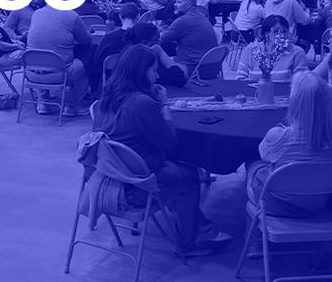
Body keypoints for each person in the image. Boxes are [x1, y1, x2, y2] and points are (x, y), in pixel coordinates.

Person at [92, 45, 233, 256]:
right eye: (154, 70)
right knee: (189, 176)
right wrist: (164, 104)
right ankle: (188, 241)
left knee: (176, 174)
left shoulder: (107, 96)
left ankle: (200, 228)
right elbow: (169, 142)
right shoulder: (141, 102)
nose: (157, 76)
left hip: (108, 176)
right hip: (136, 182)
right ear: (141, 72)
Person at [247, 72, 332, 217]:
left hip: (274, 204)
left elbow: (264, 155)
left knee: (252, 162)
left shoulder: (280, 136)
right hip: (316, 205)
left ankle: (252, 228)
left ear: (295, 101)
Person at [27, 0, 92, 115]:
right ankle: (72, 105)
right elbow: (86, 40)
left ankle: (43, 103)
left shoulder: (36, 14)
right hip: (59, 74)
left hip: (30, 74)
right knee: (88, 67)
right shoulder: (71, 16)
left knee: (41, 59)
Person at [236, 16, 308, 82]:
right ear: (266, 34)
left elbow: (302, 82)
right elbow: (240, 80)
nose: (282, 35)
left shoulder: (296, 52)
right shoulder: (251, 50)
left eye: (285, 31)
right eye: (276, 31)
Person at [160, 0, 218, 76]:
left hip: (192, 68)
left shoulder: (183, 21)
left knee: (156, 64)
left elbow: (160, 39)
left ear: (188, 6)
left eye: (179, 2)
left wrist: (156, 32)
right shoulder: (201, 16)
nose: (174, 5)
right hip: (211, 67)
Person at [90, 3, 139, 91]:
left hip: (111, 79)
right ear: (138, 16)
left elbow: (97, 62)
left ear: (120, 16)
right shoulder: (141, 37)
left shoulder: (108, 38)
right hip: (136, 79)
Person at [129, 23, 188, 87]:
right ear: (144, 43)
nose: (161, 42)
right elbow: (180, 79)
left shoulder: (128, 54)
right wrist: (161, 53)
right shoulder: (147, 62)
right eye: (157, 40)